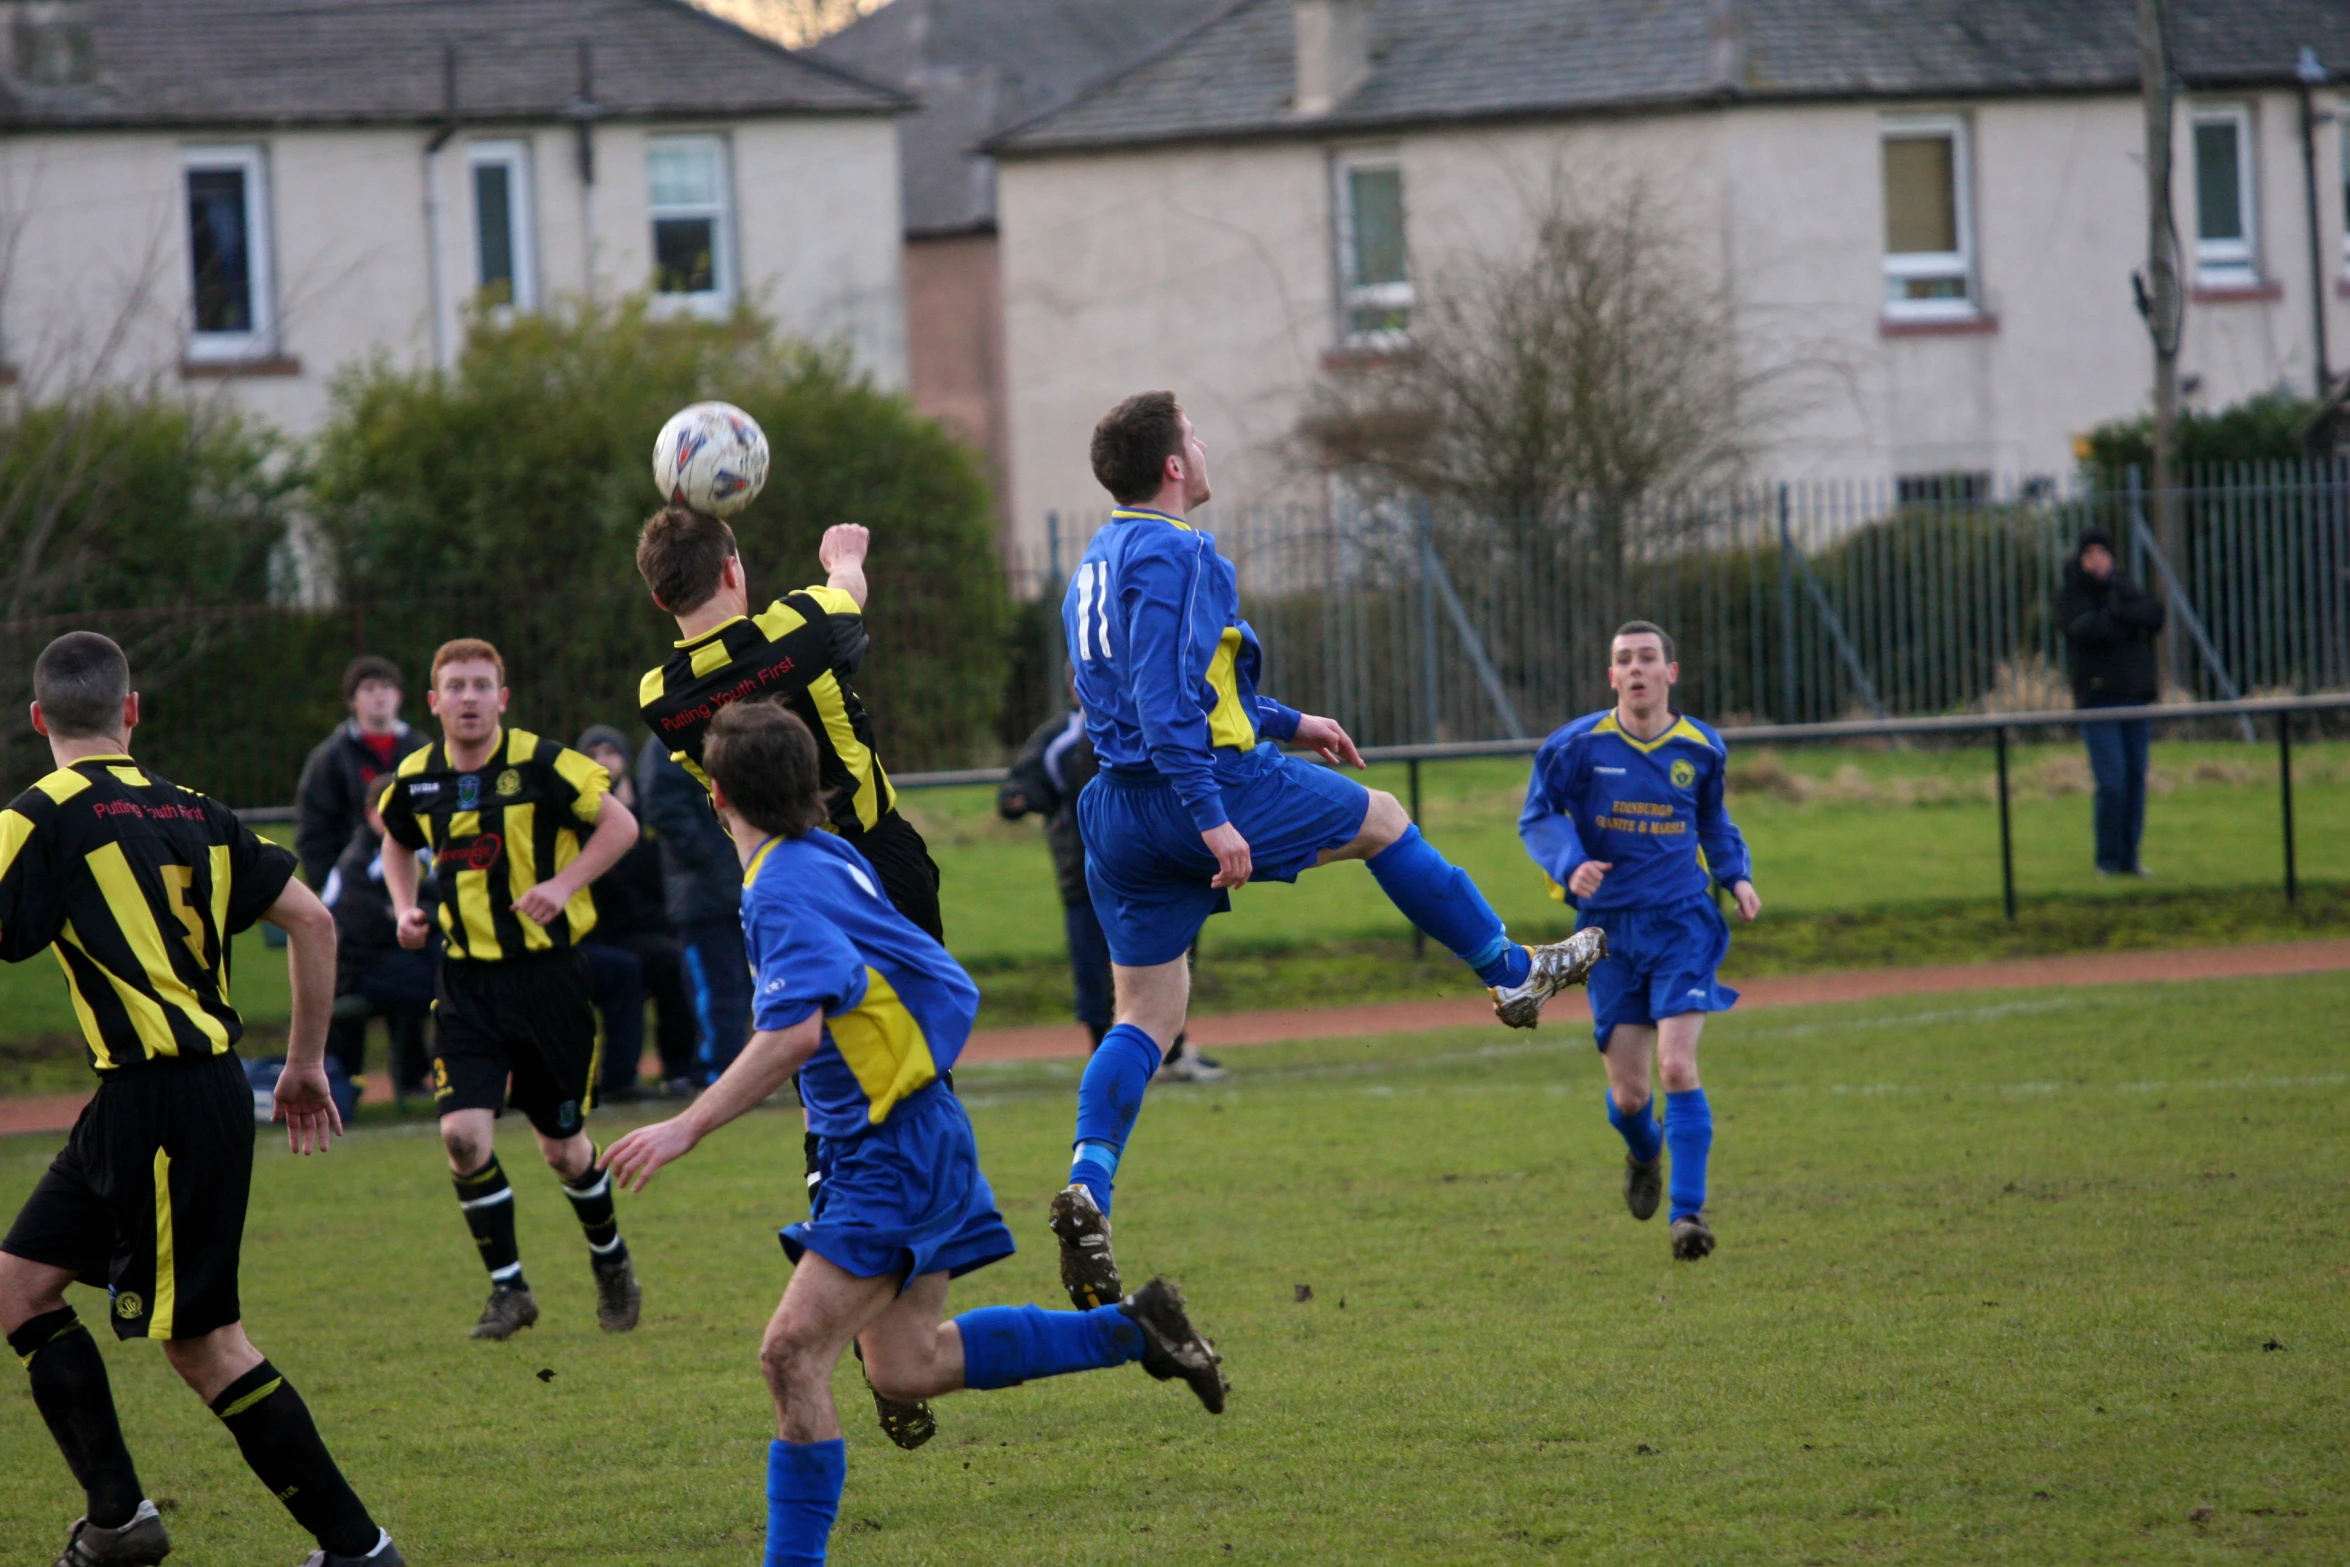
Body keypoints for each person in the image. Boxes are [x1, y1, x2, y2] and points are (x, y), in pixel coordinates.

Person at [602, 703, 1226, 1567]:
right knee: (904, 1366)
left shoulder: (780, 883)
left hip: (890, 1146)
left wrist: (686, 1124)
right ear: (810, 783)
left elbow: (794, 1034)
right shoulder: (824, 853)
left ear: (714, 797)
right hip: (912, 1128)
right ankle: (1134, 1331)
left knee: (790, 1355)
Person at [1051, 390, 1606, 1310]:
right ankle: (1510, 970)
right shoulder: (1182, 549)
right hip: (1200, 787)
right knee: (1384, 818)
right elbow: (1165, 698)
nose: (1203, 439)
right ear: (1174, 467)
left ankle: (1089, 1183)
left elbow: (1135, 686)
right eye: (1194, 430)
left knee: (1145, 1014)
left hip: (1112, 807)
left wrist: (1293, 720)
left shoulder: (1095, 562)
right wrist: (1212, 815)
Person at [0, 632, 404, 1567]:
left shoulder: (38, 814)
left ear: (36, 720)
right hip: (148, 1100)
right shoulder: (198, 810)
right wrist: (304, 1062)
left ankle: (358, 1547)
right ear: (132, 711)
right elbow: (314, 916)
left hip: (164, 1103)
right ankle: (118, 1519)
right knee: (19, 1288)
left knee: (205, 1342)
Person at [378, 639, 645, 1341]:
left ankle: (611, 1260)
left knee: (563, 1148)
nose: (468, 697)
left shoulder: (543, 762)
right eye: (455, 686)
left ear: (503, 697)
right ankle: (509, 1289)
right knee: (463, 1137)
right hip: (465, 982)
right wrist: (406, 905)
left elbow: (622, 824)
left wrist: (563, 883)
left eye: (481, 685)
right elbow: (395, 838)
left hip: (549, 980)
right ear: (434, 703)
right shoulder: (416, 777)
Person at [1518, 621, 1760, 1262]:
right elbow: (1538, 815)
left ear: (1670, 673)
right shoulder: (1574, 747)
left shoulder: (1701, 748)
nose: (1636, 669)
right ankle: (1643, 1151)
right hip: (1608, 934)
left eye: (1647, 658)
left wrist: (1735, 876)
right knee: (1629, 1096)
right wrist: (1570, 863)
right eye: (1623, 659)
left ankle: (1689, 1216)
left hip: (1683, 923)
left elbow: (1712, 820)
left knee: (1677, 1065)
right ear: (1611, 676)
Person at [998, 704, 1224, 1080]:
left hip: (1164, 869)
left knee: (1173, 958)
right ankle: (1108, 1054)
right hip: (1088, 877)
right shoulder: (1062, 737)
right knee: (1096, 968)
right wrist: (1019, 796)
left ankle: (1171, 1051)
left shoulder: (1159, 719)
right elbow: (1027, 782)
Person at [576, 725, 695, 1103]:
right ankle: (616, 1078)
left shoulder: (649, 813)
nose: (604, 761)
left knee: (675, 964)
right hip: (596, 931)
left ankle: (679, 1070)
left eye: (611, 752)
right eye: (594, 754)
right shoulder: (578, 817)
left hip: (646, 928)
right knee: (625, 970)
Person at [636, 734, 753, 1091]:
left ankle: (736, 1073)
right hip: (701, 896)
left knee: (741, 988)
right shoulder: (666, 743)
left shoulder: (726, 731)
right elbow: (662, 807)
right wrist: (711, 852)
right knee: (716, 991)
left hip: (736, 887)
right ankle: (717, 1073)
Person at [2056, 526, 2165, 877]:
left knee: (2135, 780)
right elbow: (2087, 629)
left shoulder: (2126, 588)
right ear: (2081, 559)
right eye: (2089, 554)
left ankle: (2129, 859)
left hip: (2134, 698)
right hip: (2099, 699)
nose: (2097, 560)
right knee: (2112, 782)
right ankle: (2107, 860)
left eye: (2102, 553)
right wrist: (2124, 618)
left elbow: (2155, 614)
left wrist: (2117, 614)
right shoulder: (2071, 595)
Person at [320, 776, 437, 1100]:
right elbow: (361, 925)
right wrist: (412, 917)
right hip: (357, 971)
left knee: (451, 971)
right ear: (371, 812)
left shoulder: (422, 853)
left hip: (402, 958)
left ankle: (422, 1076)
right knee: (445, 981)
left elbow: (436, 901)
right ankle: (436, 1076)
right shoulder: (357, 860)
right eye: (391, 808)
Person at [295, 655, 426, 892]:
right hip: (354, 887)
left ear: (399, 696)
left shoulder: (422, 752)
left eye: (386, 686)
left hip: (418, 881)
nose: (379, 694)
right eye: (369, 688)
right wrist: (328, 883)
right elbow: (314, 826)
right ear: (352, 700)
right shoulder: (330, 759)